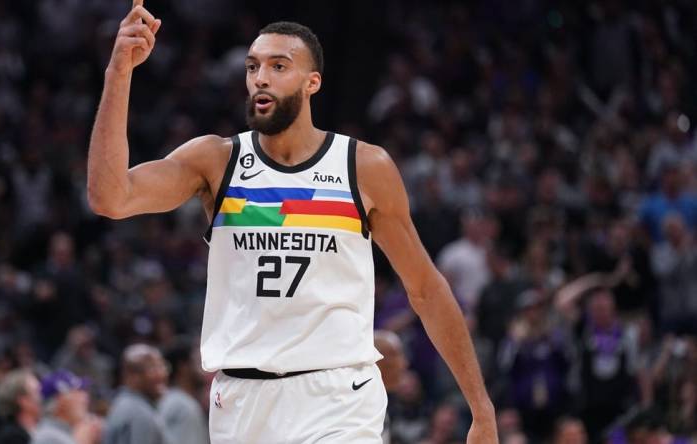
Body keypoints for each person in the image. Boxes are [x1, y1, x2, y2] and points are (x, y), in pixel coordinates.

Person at [87, 2, 497, 442]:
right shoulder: (216, 160)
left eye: (278, 66)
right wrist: (119, 74)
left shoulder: (363, 167)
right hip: (242, 402)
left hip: (338, 396)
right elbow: (110, 198)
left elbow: (425, 288)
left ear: (311, 82)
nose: (260, 77)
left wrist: (481, 408)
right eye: (252, 66)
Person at [103, 344, 167, 444]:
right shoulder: (138, 413)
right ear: (132, 376)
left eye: (162, 366)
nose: (162, 373)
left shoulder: (125, 404)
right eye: (153, 369)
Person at [32, 370, 101, 444]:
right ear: (59, 400)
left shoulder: (67, 431)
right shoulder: (48, 437)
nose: (85, 397)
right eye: (76, 392)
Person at [0, 369, 43, 444]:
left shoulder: (44, 428)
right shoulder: (11, 438)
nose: (42, 397)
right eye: (37, 392)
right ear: (22, 401)